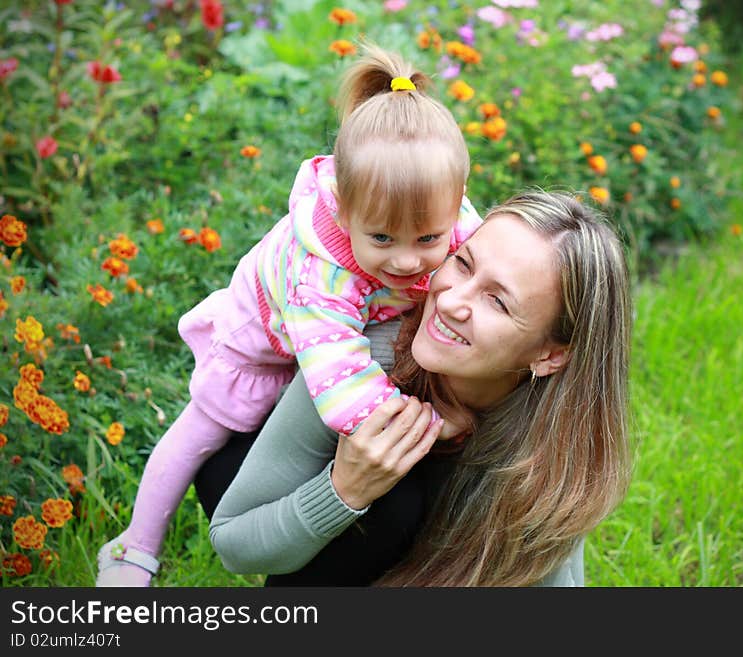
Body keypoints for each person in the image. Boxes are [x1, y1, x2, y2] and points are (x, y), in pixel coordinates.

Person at [95, 43, 482, 586]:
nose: (405, 259)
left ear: (457, 201)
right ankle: (134, 548)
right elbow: (341, 383)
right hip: (260, 346)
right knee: (198, 435)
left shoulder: (455, 220)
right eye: (380, 237)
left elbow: (478, 264)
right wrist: (431, 427)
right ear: (344, 209)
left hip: (337, 335)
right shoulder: (320, 276)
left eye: (428, 237)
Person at [206, 190, 633, 587]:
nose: (449, 301)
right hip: (274, 480)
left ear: (550, 355)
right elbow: (234, 543)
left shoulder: (550, 444)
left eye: (497, 301)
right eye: (463, 263)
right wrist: (344, 489)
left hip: (418, 557)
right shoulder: (358, 363)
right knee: (394, 504)